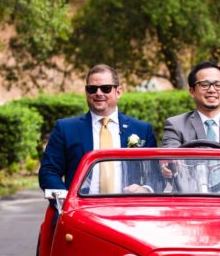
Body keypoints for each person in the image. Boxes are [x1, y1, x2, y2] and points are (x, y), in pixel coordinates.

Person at [38, 64, 157, 194]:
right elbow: (49, 171)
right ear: (86, 92)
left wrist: (145, 189)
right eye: (92, 89)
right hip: (81, 210)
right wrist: (66, 200)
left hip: (128, 209)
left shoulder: (142, 130)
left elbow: (156, 174)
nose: (98, 93)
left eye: (106, 88)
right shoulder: (66, 129)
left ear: (118, 92)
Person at [161, 61, 220, 153]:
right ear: (192, 91)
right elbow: (170, 163)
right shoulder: (176, 126)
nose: (212, 90)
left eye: (218, 85)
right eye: (204, 84)